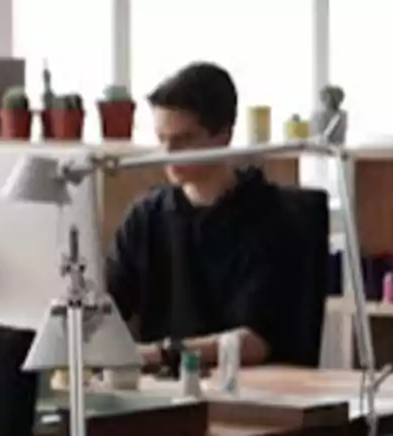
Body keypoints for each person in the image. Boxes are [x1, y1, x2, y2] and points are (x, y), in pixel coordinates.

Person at [105, 61, 296, 375]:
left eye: (183, 140)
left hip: (246, 389)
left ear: (223, 136)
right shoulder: (146, 216)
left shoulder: (272, 218)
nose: (168, 152)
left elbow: (255, 341)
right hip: (158, 391)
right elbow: (106, 304)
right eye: (161, 138)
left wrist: (161, 353)